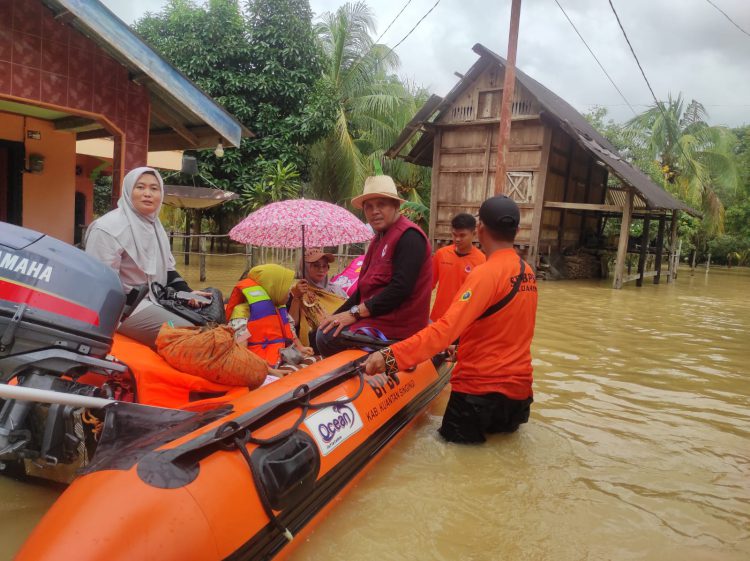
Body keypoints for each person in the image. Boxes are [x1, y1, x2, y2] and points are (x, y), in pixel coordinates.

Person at [364, 195, 538, 444]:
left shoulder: (485, 273)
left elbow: (443, 330)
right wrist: (462, 349)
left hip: (478, 393)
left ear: (480, 229)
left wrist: (389, 357)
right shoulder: (527, 273)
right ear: (517, 231)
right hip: (519, 395)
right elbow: (509, 331)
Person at [84, 167, 211, 348]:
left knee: (208, 319)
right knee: (189, 334)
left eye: (154, 188)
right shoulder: (108, 228)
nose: (147, 194)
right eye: (140, 187)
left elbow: (166, 268)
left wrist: (186, 292)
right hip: (123, 309)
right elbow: (101, 283)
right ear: (128, 191)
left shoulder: (154, 226)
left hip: (154, 297)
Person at [316, 175, 432, 356]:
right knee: (321, 329)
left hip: (397, 325)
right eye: (368, 207)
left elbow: (399, 290)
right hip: (376, 317)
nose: (374, 211)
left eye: (381, 205)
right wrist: (335, 316)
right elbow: (361, 292)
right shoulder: (378, 239)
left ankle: (381, 362)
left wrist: (354, 314)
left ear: (396, 206)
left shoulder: (409, 237)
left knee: (327, 337)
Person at [225, 264, 313, 370]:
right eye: (286, 288)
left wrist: (301, 348)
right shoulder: (242, 313)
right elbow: (241, 351)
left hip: (281, 359)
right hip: (257, 366)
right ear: (273, 288)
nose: (290, 292)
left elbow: (291, 335)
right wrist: (269, 371)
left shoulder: (280, 310)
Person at [431, 213, 486, 322]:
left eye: (462, 235)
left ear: (474, 234)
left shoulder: (482, 261)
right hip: (438, 317)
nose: (457, 239)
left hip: (464, 320)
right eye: (454, 234)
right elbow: (429, 285)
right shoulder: (441, 254)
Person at [288, 248, 347, 347]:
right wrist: (297, 298)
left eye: (324, 266)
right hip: (315, 342)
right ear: (305, 268)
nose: (321, 270)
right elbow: (292, 324)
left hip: (341, 335)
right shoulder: (295, 291)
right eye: (316, 266)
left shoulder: (336, 290)